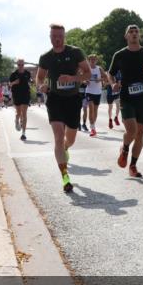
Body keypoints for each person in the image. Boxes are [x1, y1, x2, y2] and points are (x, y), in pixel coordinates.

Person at [36, 24, 91, 193]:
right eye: (54, 36)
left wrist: (73, 78)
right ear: (50, 37)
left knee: (70, 139)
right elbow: (39, 78)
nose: (57, 39)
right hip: (54, 99)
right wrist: (41, 86)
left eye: (59, 36)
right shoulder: (45, 57)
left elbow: (88, 73)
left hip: (73, 100)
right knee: (58, 136)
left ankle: (66, 148)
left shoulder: (75, 52)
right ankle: (65, 177)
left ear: (64, 36)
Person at [109, 24, 143, 178]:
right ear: (126, 36)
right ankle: (125, 148)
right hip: (127, 98)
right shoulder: (119, 55)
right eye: (130, 32)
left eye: (136, 32)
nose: (133, 34)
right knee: (131, 131)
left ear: (140, 35)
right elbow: (110, 73)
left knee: (140, 135)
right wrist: (112, 84)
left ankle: (133, 165)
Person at [10, 59, 33, 141]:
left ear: (24, 65)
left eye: (22, 65)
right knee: (18, 113)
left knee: (24, 114)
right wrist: (14, 83)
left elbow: (30, 81)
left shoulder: (27, 73)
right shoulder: (13, 74)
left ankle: (23, 134)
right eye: (19, 65)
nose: (20, 66)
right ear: (17, 65)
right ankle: (16, 120)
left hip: (25, 94)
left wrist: (30, 82)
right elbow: (10, 84)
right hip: (17, 95)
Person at [84, 54, 107, 137]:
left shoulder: (99, 69)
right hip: (89, 91)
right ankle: (92, 128)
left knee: (95, 111)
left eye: (94, 59)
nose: (93, 61)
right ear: (89, 60)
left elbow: (106, 78)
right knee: (91, 109)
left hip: (97, 92)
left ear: (96, 61)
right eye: (91, 59)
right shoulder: (87, 69)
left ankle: (93, 125)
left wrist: (99, 79)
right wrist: (85, 81)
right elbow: (82, 78)